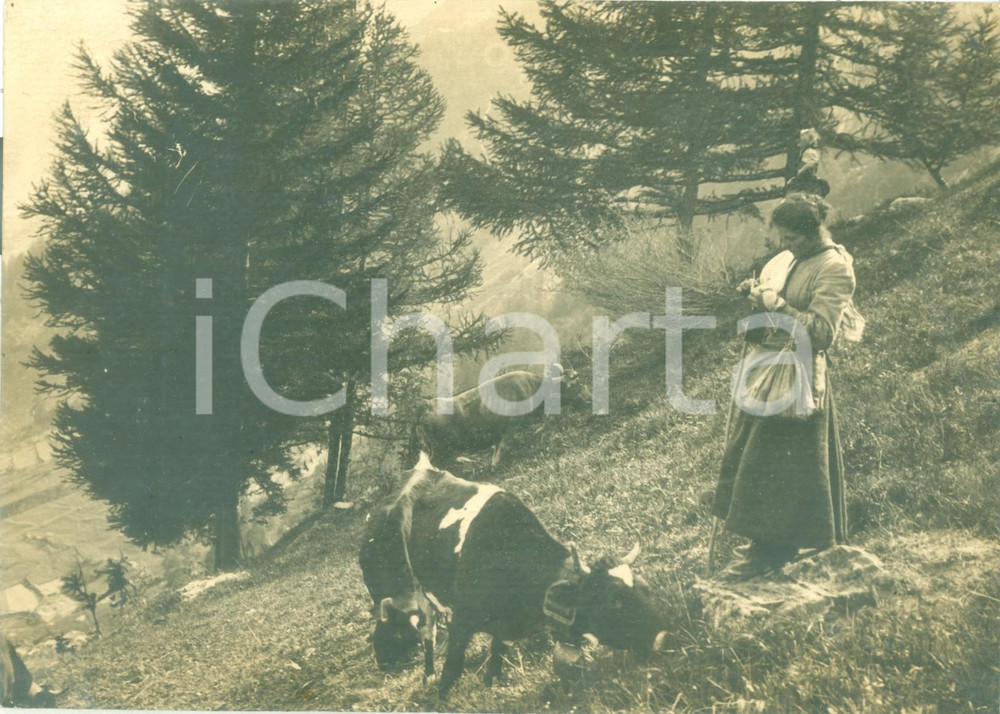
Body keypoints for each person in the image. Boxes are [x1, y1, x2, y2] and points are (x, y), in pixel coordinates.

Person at [714, 193, 857, 575]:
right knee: (758, 461)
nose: (786, 245)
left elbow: (822, 333)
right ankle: (764, 544)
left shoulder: (834, 268)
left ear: (813, 232)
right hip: (771, 371)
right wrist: (757, 297)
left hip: (798, 380)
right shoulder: (796, 258)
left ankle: (772, 552)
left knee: (783, 466)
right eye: (783, 238)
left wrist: (777, 305)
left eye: (791, 238)